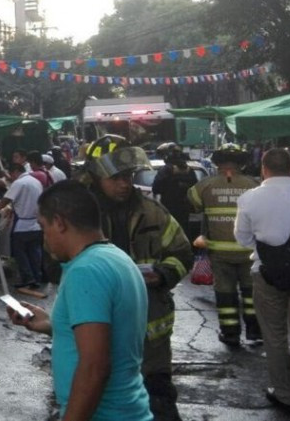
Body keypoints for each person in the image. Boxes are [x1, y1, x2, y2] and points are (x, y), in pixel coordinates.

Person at [7, 181, 152, 421]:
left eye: (44, 228)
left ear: (60, 223)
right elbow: (109, 335)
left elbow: (95, 367)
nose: (45, 238)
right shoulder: (116, 258)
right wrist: (52, 325)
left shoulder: (85, 271)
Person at [80, 135, 192, 421]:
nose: (124, 183)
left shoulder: (153, 212)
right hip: (99, 334)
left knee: (159, 406)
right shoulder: (79, 216)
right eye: (116, 176)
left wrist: (164, 273)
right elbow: (54, 266)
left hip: (149, 341)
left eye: (128, 175)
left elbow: (182, 253)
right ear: (95, 175)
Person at [234, 148, 290, 414]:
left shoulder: (249, 199)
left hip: (265, 274)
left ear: (263, 168)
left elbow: (243, 238)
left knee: (274, 336)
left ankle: (283, 392)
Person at [187, 143, 260, 346]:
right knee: (250, 294)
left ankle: (230, 334)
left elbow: (192, 201)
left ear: (217, 162)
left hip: (219, 253)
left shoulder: (205, 186)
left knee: (225, 295)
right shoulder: (255, 184)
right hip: (249, 252)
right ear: (242, 163)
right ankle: (254, 332)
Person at [0, 161, 45, 288]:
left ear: (16, 172)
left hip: (23, 224)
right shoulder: (36, 181)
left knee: (20, 253)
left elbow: (6, 199)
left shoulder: (19, 183)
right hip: (36, 223)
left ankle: (28, 278)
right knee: (35, 252)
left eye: (11, 174)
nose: (10, 177)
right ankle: (37, 277)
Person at [152, 143, 200, 242]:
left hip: (169, 209)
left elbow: (156, 188)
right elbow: (195, 188)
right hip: (185, 210)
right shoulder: (189, 170)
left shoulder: (166, 170)